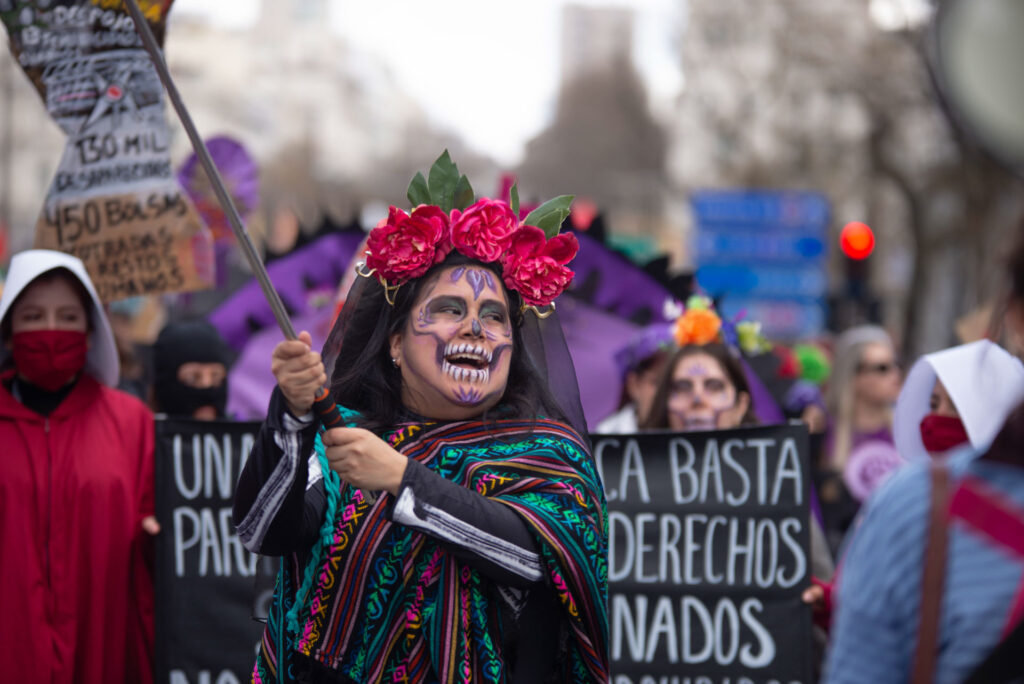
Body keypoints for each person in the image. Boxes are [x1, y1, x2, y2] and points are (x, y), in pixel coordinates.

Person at [233, 162, 609, 683]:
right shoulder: (345, 441)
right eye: (450, 309)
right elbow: (262, 529)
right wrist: (294, 414)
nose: (475, 329)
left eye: (495, 316)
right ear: (395, 343)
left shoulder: (549, 454)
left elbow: (538, 560)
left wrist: (402, 481)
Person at [823, 234, 1024, 683]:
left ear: (1013, 311)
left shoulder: (912, 505)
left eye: (958, 406)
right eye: (934, 405)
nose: (938, 422)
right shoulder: (910, 504)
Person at [0, 249, 156, 683]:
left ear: (89, 332)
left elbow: (157, 546)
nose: (50, 330)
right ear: (9, 331)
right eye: (33, 316)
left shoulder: (131, 423)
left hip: (102, 649)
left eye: (67, 317)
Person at [893, 338, 1024, 462]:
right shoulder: (913, 482)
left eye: (957, 406)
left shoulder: (1012, 482)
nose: (940, 414)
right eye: (933, 405)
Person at [596, 321, 674, 433]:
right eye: (657, 382)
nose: (666, 392)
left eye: (678, 384)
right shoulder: (606, 435)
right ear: (634, 385)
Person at [151, 319, 233, 419]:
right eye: (192, 378)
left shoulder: (244, 432)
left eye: (216, 377)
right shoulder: (142, 432)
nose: (207, 385)